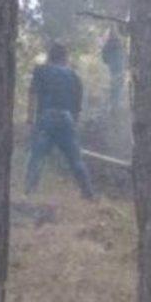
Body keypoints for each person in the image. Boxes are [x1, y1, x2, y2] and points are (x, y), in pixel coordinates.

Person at [25, 42, 94, 199]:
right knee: (75, 160)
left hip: (46, 118)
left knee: (37, 157)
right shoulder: (74, 76)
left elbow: (32, 95)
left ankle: (29, 192)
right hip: (66, 118)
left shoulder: (41, 71)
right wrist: (73, 126)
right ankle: (88, 193)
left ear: (50, 56)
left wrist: (29, 119)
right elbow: (77, 106)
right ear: (65, 57)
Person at [101, 24, 126, 111]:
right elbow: (125, 56)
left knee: (115, 86)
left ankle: (114, 105)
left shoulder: (108, 45)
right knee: (118, 86)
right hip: (119, 68)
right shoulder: (121, 44)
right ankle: (116, 105)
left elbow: (104, 59)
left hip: (114, 68)